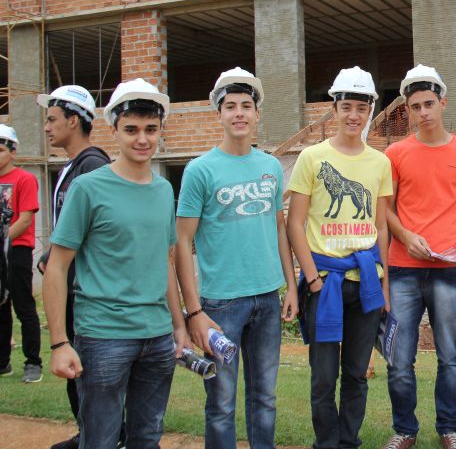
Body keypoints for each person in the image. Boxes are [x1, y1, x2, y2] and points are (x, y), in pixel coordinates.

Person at [43, 78, 191, 448]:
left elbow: (164, 262)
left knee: (147, 438)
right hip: (104, 337)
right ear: (114, 130)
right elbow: (57, 266)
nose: (142, 139)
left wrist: (179, 326)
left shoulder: (163, 190)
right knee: (100, 440)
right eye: (131, 130)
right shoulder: (88, 188)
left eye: (150, 129)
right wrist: (59, 342)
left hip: (157, 337)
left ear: (160, 131)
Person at [174, 67, 298, 449]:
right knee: (221, 403)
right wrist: (193, 311)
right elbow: (181, 242)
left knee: (265, 399)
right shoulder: (199, 170)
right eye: (230, 106)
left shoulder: (269, 167)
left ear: (258, 114)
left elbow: (279, 228)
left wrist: (291, 286)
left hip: (267, 298)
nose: (239, 113)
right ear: (219, 114)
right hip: (220, 305)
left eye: (246, 105)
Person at [287, 67, 392, 449]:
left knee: (356, 374)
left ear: (369, 111)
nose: (353, 115)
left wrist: (385, 284)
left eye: (361, 108)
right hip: (326, 283)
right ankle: (326, 443)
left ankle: (348, 442)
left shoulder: (380, 163)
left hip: (366, 282)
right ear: (334, 109)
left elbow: (381, 227)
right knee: (323, 376)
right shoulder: (312, 158)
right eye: (346, 107)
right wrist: (312, 278)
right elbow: (295, 222)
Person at [382, 65, 456, 449]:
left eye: (429, 103)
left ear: (443, 103)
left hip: (450, 269)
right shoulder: (395, 153)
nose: (423, 112)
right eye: (415, 107)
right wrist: (405, 236)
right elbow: (385, 209)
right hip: (404, 269)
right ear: (407, 111)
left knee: (450, 355)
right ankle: (404, 430)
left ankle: (449, 429)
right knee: (399, 359)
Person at [36, 85, 111, 449]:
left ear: (73, 120)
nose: (46, 127)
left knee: (86, 368)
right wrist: (51, 255)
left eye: (52, 119)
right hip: (69, 285)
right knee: (75, 367)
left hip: (85, 291)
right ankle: (89, 432)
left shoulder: (93, 166)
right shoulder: (72, 167)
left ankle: (103, 435)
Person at [0, 125, 41, 384]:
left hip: (17, 250)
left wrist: (2, 241)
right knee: (1, 307)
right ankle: (3, 362)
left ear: (13, 152)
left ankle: (33, 362)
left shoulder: (24, 179)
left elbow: (25, 219)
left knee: (24, 307)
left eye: (1, 150)